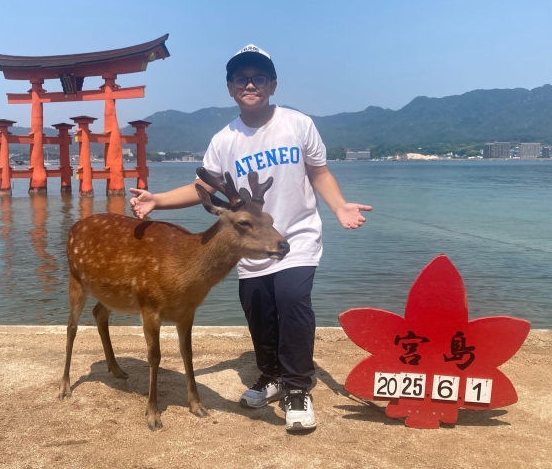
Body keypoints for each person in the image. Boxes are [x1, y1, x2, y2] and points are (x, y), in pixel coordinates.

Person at [130, 44, 372, 432]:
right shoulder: (224, 140)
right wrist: (157, 200)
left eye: (258, 77)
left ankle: (296, 388)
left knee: (292, 300)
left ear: (272, 84)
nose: (250, 83)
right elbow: (202, 188)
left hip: (296, 235)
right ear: (230, 88)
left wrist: (340, 206)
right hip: (247, 243)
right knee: (258, 308)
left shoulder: (298, 124)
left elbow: (319, 172)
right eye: (241, 78)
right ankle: (271, 374)